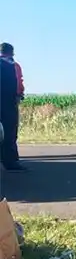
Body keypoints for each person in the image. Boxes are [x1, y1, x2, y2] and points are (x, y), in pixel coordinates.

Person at [0, 42, 25, 171]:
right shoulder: (14, 66)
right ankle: (10, 162)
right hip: (8, 102)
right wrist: (19, 95)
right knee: (10, 132)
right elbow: (19, 83)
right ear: (11, 52)